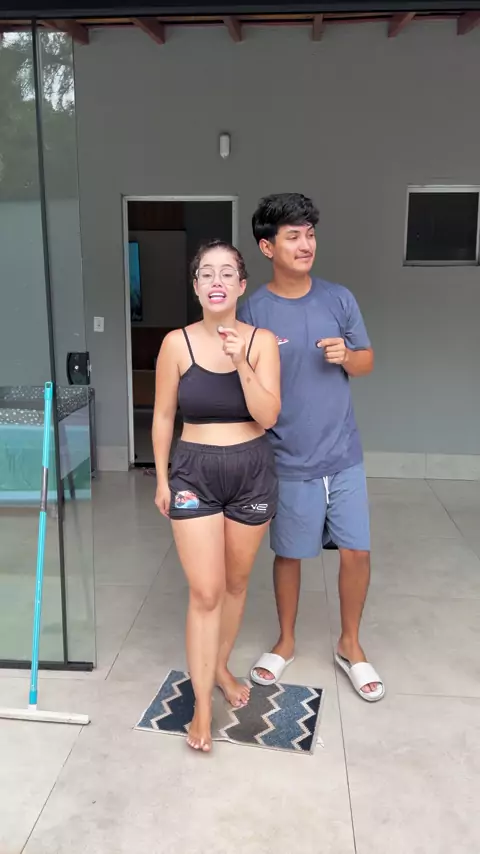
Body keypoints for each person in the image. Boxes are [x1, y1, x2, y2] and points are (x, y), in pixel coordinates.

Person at [237, 193, 384, 702]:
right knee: (290, 554)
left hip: (343, 453)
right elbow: (244, 385)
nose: (306, 245)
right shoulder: (253, 310)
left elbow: (367, 361)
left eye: (311, 235)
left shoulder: (339, 299)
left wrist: (348, 356)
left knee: (356, 551)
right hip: (287, 457)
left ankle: (350, 644)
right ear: (267, 247)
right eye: (293, 236)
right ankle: (285, 641)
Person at [152, 239, 281, 752]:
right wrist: (162, 479)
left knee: (235, 583)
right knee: (205, 592)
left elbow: (268, 415)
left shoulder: (262, 342)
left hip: (251, 470)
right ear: (196, 287)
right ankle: (202, 707)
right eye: (206, 273)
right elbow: (164, 416)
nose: (217, 281)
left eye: (227, 272)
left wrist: (241, 361)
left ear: (242, 285)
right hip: (193, 474)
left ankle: (222, 666)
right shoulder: (176, 344)